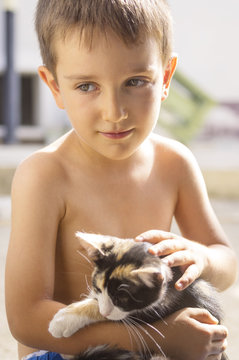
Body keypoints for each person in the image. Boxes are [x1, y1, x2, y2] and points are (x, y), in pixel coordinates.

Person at [5, 1, 237, 359]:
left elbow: (225, 265)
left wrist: (202, 258)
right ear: (54, 86)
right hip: (64, 353)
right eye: (86, 86)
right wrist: (161, 337)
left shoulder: (174, 163)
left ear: (166, 77)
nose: (115, 111)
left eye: (135, 81)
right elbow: (27, 319)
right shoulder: (45, 174)